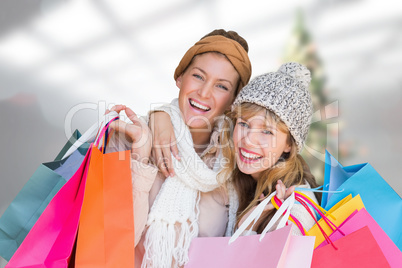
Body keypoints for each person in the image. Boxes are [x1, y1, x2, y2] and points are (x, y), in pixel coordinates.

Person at [107, 29, 252, 267]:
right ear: (180, 77)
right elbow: (110, 245)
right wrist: (141, 158)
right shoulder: (130, 139)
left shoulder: (239, 163)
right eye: (198, 76)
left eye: (222, 86)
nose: (204, 93)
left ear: (233, 100)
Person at [220, 62, 321, 235]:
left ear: (289, 144)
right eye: (244, 124)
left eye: (267, 131)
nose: (249, 140)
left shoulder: (298, 209)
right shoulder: (239, 177)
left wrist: (246, 230)